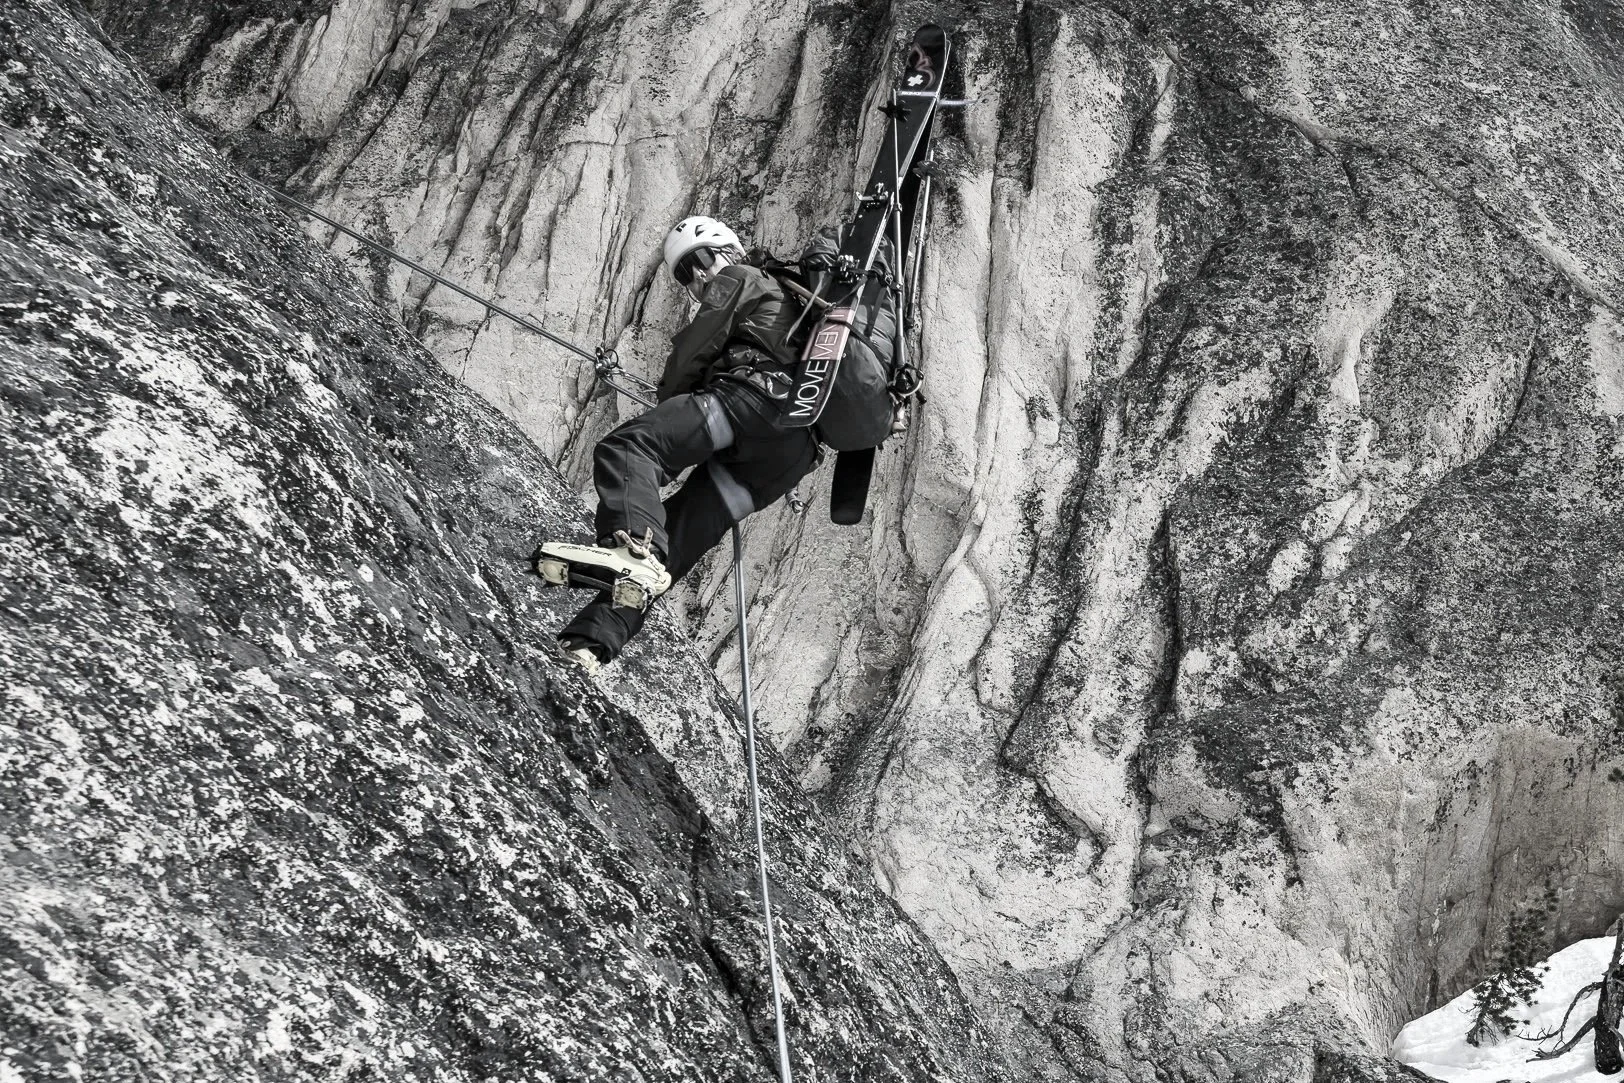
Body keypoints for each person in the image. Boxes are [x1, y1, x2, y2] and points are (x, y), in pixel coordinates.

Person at [534, 215, 818, 674]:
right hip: (789, 454)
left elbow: (694, 348)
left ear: (730, 252)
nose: (699, 276)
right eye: (685, 275)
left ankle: (629, 550)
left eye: (701, 261)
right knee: (674, 545)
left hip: (751, 401)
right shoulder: (790, 303)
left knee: (628, 449)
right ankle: (590, 645)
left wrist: (671, 399)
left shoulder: (741, 277)